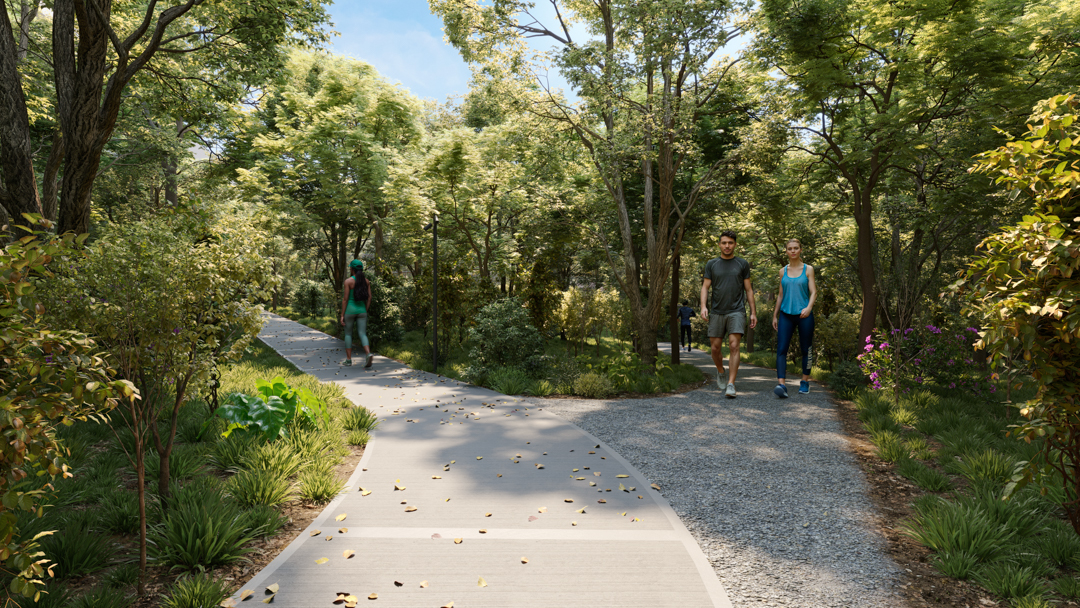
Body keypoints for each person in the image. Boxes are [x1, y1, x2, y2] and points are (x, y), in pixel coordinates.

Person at [700, 230, 757, 398]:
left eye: (730, 243)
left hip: (737, 311)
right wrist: (704, 306)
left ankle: (731, 384)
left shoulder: (742, 264)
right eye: (724, 242)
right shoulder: (711, 264)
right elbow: (705, 287)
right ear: (719, 244)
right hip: (717, 311)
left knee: (734, 346)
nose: (727, 246)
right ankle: (720, 370)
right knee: (715, 348)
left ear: (735, 245)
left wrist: (753, 312)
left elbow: (748, 289)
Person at [771, 238, 817, 398]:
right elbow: (780, 295)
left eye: (796, 248)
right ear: (786, 251)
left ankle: (804, 381)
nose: (793, 251)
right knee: (782, 349)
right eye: (790, 248)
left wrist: (809, 307)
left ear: (800, 250)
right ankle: (781, 385)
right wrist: (775, 315)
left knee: (806, 349)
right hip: (786, 315)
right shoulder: (782, 271)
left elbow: (813, 292)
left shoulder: (808, 269)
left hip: (804, 315)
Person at [339, 259, 373, 368]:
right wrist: (365, 310)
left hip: (350, 311)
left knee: (348, 334)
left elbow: (345, 299)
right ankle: (368, 353)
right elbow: (369, 297)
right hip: (362, 310)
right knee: (362, 334)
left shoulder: (348, 281)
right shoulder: (366, 281)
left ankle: (348, 360)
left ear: (352, 269)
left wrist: (342, 315)